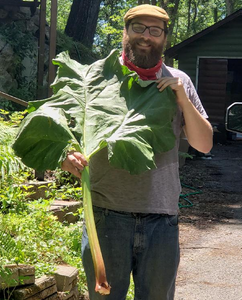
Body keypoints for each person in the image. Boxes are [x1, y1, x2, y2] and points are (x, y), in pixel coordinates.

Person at [62, 4, 213, 300]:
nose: (146, 36)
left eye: (155, 31)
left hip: (162, 221)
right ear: (124, 32)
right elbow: (64, 131)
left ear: (164, 38)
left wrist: (182, 99)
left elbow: (204, 144)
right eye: (138, 28)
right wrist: (66, 156)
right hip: (106, 218)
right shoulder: (93, 77)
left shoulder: (179, 81)